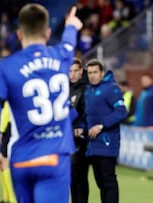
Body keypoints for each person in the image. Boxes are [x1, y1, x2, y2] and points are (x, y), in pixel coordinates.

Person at [0, 4, 83, 203]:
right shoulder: (63, 55)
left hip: (21, 160)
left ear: (19, 34)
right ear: (47, 33)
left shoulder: (5, 67)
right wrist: (71, 25)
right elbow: (69, 40)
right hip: (54, 158)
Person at [84, 59, 127, 203]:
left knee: (108, 180)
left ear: (102, 73)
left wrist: (101, 126)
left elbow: (121, 111)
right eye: (89, 73)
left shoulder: (111, 88)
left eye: (95, 72)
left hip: (107, 141)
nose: (92, 76)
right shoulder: (89, 90)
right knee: (101, 182)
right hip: (93, 144)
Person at [0, 58, 17, 203]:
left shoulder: (4, 83)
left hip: (7, 128)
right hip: (3, 127)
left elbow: (6, 109)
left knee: (5, 162)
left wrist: (0, 130)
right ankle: (7, 197)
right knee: (3, 163)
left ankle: (12, 199)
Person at [69, 57, 89, 203]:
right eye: (70, 71)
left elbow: (88, 112)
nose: (73, 74)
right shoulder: (64, 88)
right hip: (66, 139)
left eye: (76, 70)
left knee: (80, 176)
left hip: (81, 139)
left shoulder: (86, 89)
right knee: (71, 177)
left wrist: (81, 127)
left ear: (81, 71)